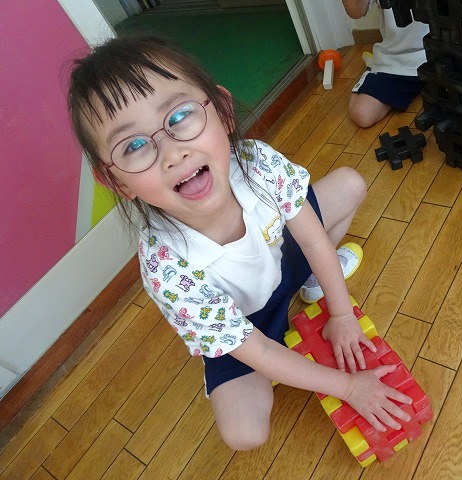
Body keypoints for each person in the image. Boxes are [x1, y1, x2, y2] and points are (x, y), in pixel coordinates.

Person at [67, 36, 412, 451]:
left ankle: (313, 286)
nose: (172, 153)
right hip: (245, 326)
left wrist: (341, 314)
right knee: (244, 434)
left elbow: (310, 238)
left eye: (179, 116)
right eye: (134, 145)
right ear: (117, 182)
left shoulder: (255, 162)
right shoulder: (165, 268)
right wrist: (350, 387)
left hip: (283, 266)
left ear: (224, 111)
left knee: (350, 184)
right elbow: (259, 351)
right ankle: (286, 328)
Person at [343, 0, 430, 128]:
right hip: (399, 60)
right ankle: (371, 72)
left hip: (448, 52)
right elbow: (355, 12)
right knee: (362, 113)